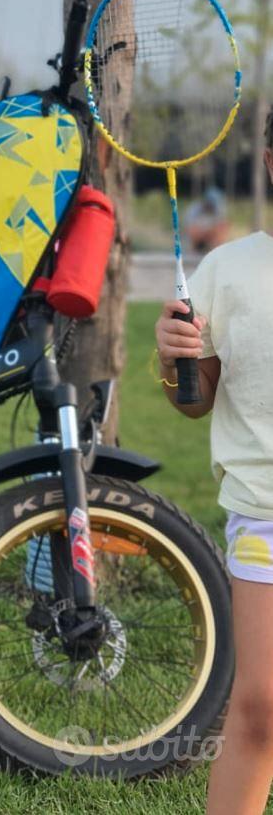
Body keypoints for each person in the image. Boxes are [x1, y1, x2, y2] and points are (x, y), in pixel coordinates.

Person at [154, 111, 273, 815]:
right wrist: (176, 356)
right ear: (271, 161)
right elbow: (191, 401)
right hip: (264, 512)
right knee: (261, 709)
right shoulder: (226, 270)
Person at [184, 186, 230, 253]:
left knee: (222, 227)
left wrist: (211, 232)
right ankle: (195, 251)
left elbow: (223, 226)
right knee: (193, 231)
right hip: (196, 240)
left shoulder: (218, 210)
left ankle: (216, 251)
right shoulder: (194, 210)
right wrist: (205, 233)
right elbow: (190, 229)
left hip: (211, 239)